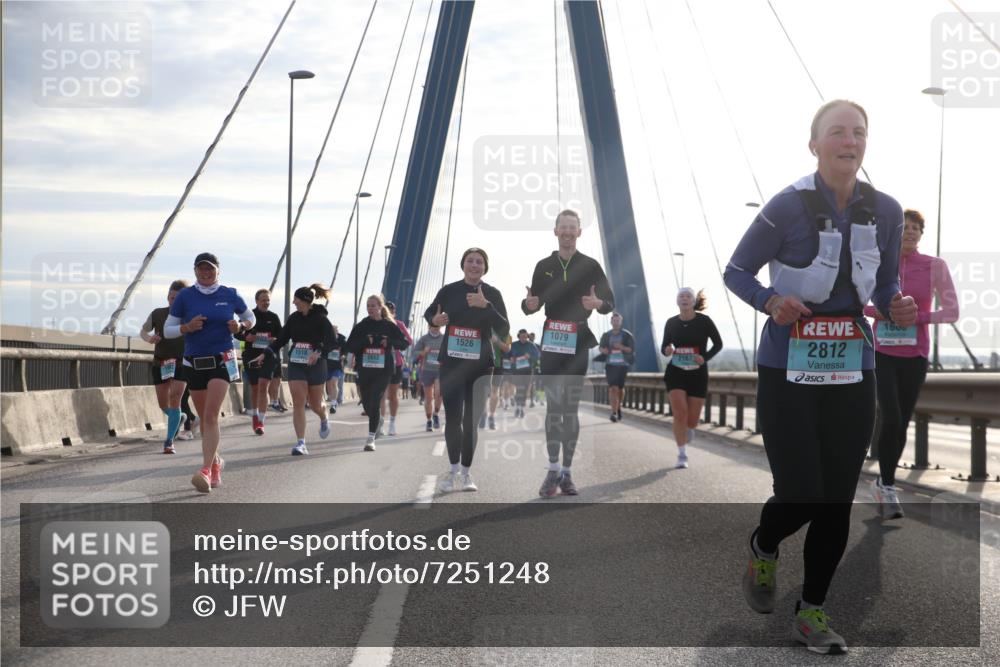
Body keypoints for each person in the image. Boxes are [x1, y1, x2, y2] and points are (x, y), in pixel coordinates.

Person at [724, 100, 917, 654]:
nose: (848, 141)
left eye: (858, 132)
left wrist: (896, 305)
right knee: (802, 492)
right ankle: (764, 545)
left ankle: (811, 611)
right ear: (815, 145)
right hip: (787, 367)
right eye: (837, 132)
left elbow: (882, 287)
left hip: (853, 367)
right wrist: (769, 300)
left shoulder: (886, 210)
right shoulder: (785, 207)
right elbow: (736, 270)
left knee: (835, 499)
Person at [864, 208, 959, 519]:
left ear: (922, 234)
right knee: (890, 414)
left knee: (901, 420)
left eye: (916, 228)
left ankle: (883, 482)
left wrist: (916, 317)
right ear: (896, 233)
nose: (910, 232)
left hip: (915, 355)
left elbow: (952, 311)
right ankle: (888, 485)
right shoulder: (879, 263)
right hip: (882, 351)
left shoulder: (934, 266)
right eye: (905, 228)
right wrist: (876, 312)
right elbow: (857, 299)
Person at [523, 209, 614, 497]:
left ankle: (568, 473)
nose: (567, 231)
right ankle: (552, 471)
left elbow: (609, 302)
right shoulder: (543, 265)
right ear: (555, 231)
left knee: (570, 410)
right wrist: (528, 305)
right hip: (551, 344)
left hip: (577, 342)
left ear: (579, 232)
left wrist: (597, 303)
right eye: (562, 227)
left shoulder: (590, 265)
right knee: (553, 409)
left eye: (572, 227)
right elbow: (530, 305)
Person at [164, 252, 255, 493]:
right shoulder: (186, 296)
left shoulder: (230, 294)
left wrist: (240, 326)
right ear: (195, 271)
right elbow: (168, 330)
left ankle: (205, 469)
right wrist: (187, 327)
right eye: (201, 269)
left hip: (222, 359)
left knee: (212, 415)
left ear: (218, 271)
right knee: (204, 417)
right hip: (194, 361)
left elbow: (250, 318)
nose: (206, 273)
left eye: (210, 269)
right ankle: (216, 463)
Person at [425, 247, 509, 493]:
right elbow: (431, 312)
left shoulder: (492, 294)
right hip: (452, 364)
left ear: (485, 267)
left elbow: (504, 328)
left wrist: (486, 306)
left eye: (479, 262)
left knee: (471, 422)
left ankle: (466, 473)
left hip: (480, 366)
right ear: (463, 265)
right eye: (470, 261)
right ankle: (451, 472)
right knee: (453, 419)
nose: (474, 265)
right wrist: (434, 320)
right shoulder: (449, 290)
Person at [256, 284, 334, 455]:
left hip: (316, 365)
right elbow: (281, 339)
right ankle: (301, 443)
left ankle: (323, 416)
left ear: (305, 301)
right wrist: (266, 353)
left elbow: (332, 340)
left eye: (296, 299)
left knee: (315, 405)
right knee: (298, 402)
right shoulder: (294, 318)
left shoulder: (321, 318)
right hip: (297, 363)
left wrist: (318, 352)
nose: (293, 302)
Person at [660, 290, 722, 468]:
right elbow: (664, 346)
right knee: (680, 413)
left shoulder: (704, 321)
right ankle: (681, 454)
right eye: (681, 296)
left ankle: (690, 429)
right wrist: (667, 350)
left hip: (698, 372)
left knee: (692, 419)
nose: (684, 299)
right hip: (676, 371)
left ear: (694, 301)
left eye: (688, 296)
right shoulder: (671, 322)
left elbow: (718, 344)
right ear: (677, 301)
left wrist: (705, 357)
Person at [346, 294, 409, 450]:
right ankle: (378, 419)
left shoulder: (389, 326)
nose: (370, 308)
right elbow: (349, 346)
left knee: (375, 401)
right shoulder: (362, 325)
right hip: (365, 369)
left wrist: (390, 342)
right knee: (367, 405)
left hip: (383, 370)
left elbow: (404, 343)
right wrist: (364, 342)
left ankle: (370, 438)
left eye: (373, 305)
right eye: (368, 306)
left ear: (381, 307)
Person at [140, 280, 190, 454]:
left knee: (176, 397)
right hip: (161, 361)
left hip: (182, 361)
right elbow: (143, 331)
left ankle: (169, 441)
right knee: (163, 404)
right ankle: (180, 417)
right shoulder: (158, 314)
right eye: (172, 297)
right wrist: (150, 339)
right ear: (168, 297)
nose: (174, 301)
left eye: (178, 298)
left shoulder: (190, 315)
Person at [237, 288, 282, 436]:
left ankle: (261, 421)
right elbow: (237, 332)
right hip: (251, 355)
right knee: (256, 388)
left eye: (268, 300)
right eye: (263, 300)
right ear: (256, 301)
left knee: (264, 386)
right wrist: (246, 337)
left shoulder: (274, 317)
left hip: (268, 355)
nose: (266, 303)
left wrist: (272, 340)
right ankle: (255, 415)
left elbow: (281, 337)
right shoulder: (250, 316)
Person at [380, 302, 413, 436]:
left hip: (395, 363)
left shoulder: (399, 324)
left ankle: (392, 423)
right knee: (380, 394)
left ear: (394, 312)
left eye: (391, 310)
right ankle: (380, 423)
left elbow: (409, 340)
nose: (388, 312)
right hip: (379, 363)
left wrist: (392, 342)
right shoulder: (377, 324)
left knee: (392, 395)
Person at [598, 312, 636, 423]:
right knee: (612, 388)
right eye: (614, 320)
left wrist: (621, 347)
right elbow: (601, 348)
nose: (616, 322)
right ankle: (614, 413)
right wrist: (603, 350)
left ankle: (618, 407)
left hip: (623, 365)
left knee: (619, 389)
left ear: (621, 322)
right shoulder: (606, 335)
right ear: (611, 322)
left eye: (618, 320)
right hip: (610, 365)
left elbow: (631, 350)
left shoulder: (627, 335)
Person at [412, 323, 445, 431]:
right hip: (427, 370)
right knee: (428, 398)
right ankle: (429, 420)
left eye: (438, 326)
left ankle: (436, 413)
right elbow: (414, 353)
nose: (436, 328)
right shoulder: (424, 339)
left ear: (441, 327)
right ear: (429, 326)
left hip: (440, 371)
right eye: (433, 326)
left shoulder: (445, 338)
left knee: (438, 393)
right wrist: (423, 352)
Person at [481, 330, 512, 430]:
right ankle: (483, 414)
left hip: (497, 364)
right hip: (482, 364)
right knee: (483, 392)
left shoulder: (505, 331)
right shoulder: (482, 325)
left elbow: (508, 348)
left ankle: (491, 416)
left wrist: (497, 341)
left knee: (495, 391)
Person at [508, 328, 540, 419]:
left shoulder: (531, 345)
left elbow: (538, 356)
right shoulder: (513, 345)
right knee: (519, 388)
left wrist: (529, 356)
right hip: (516, 370)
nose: (524, 338)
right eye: (522, 337)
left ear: (527, 337)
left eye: (525, 337)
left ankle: (521, 407)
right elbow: (507, 354)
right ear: (519, 336)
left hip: (528, 370)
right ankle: (519, 408)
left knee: (525, 389)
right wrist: (511, 358)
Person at [325, 324, 348, 414]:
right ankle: (332, 400)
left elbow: (346, 349)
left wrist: (343, 355)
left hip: (337, 365)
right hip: (327, 365)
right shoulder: (326, 339)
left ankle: (334, 403)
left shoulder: (341, 340)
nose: (332, 332)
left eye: (334, 330)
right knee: (329, 384)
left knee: (334, 382)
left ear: (337, 331)